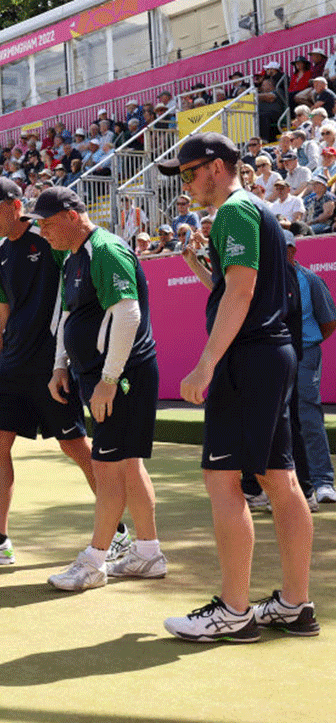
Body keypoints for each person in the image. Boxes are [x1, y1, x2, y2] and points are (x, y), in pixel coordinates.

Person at [158, 133, 317, 642]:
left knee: (223, 480)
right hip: (270, 355)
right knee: (280, 478)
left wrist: (205, 365)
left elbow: (244, 293)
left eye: (190, 172)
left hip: (248, 360)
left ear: (220, 167)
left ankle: (234, 609)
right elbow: (242, 289)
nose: (186, 184)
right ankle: (295, 605)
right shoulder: (253, 213)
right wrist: (205, 273)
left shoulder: (234, 212)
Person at [0, 178, 101, 566]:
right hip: (12, 364)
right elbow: (1, 312)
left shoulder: (50, 239)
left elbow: (74, 291)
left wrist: (65, 361)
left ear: (17, 206)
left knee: (75, 445)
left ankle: (115, 531)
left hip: (51, 363)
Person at [28, 187, 165, 591]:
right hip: (102, 375)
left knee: (108, 469)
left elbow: (128, 314)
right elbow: (69, 314)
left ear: (72, 216)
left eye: (48, 223)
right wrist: (59, 365)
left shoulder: (104, 250)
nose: (43, 232)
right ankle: (147, 552)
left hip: (122, 378)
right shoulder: (73, 256)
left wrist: (107, 380)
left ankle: (94, 561)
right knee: (128, 465)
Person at [286, 238, 336, 504]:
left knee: (307, 412)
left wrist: (307, 342)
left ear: (292, 251)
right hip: (277, 356)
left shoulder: (311, 280)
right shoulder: (264, 278)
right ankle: (286, 483)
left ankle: (323, 481)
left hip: (305, 353)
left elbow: (328, 322)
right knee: (278, 417)